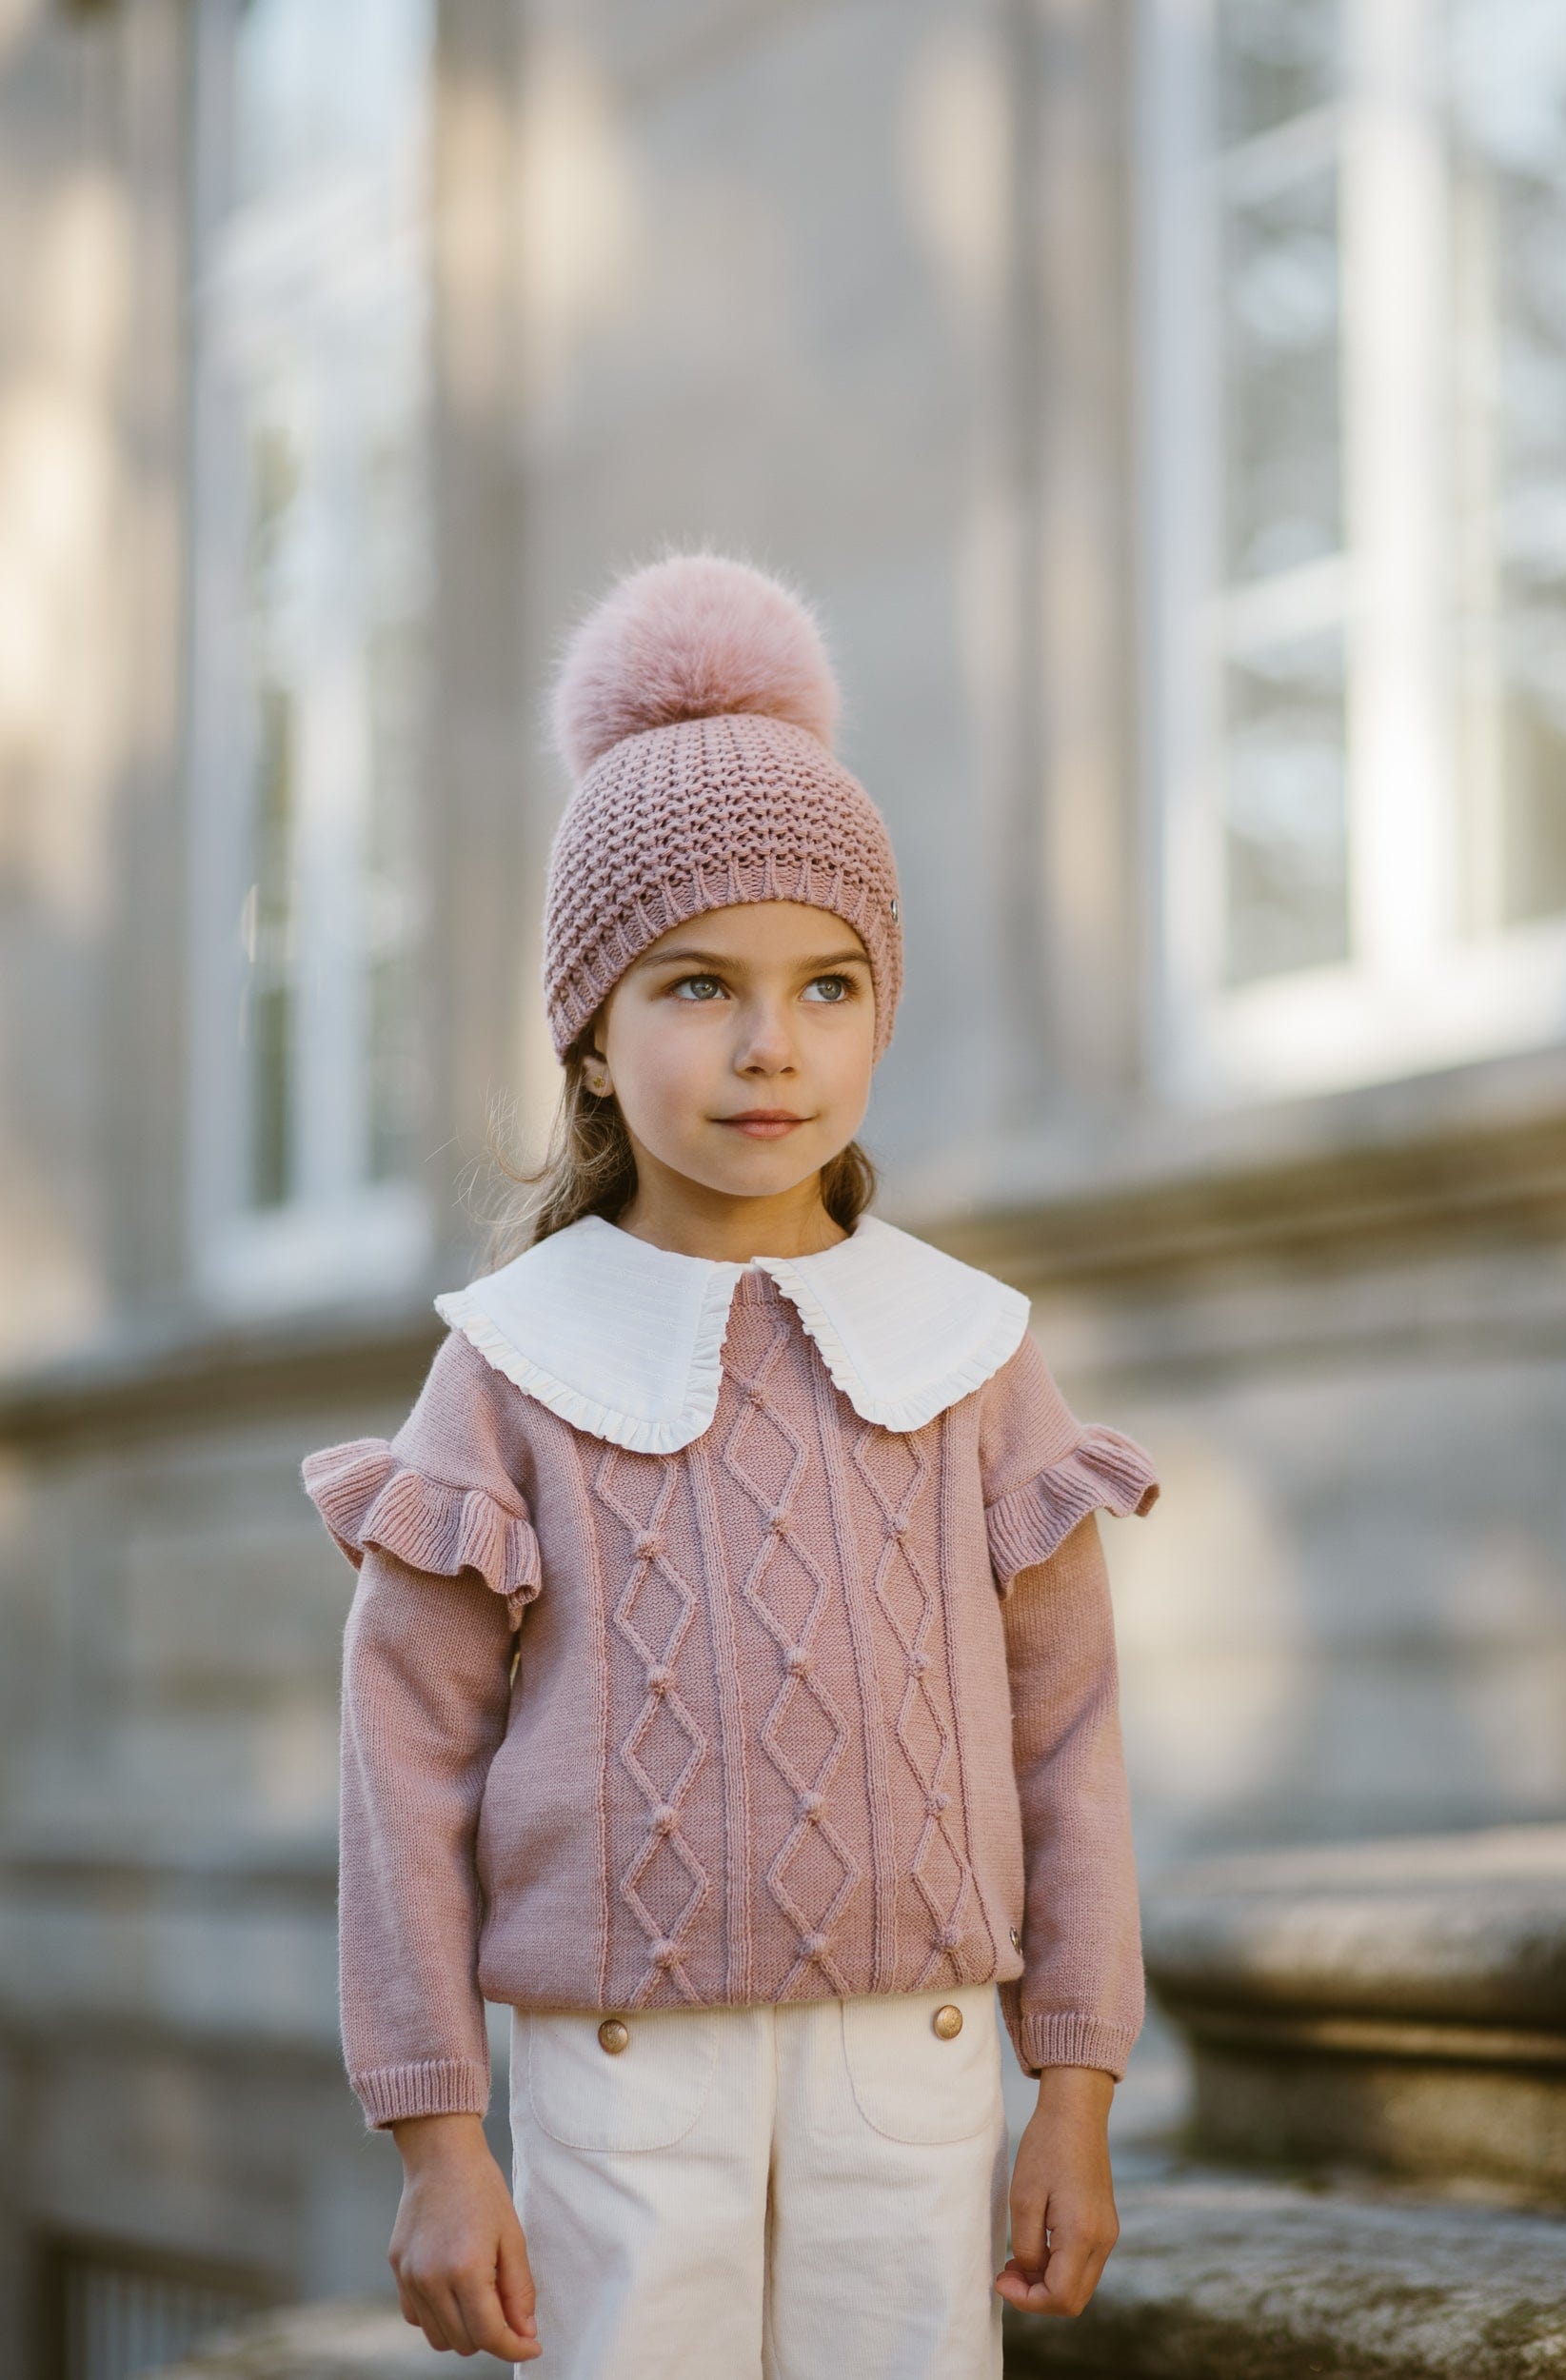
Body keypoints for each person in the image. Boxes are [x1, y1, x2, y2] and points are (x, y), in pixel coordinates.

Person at [301, 546, 1162, 2379]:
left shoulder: (971, 1355)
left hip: (922, 2067)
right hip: (620, 2075)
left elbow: (1070, 1741)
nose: (775, 1047)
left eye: (831, 985)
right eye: (697, 986)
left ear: (880, 1009)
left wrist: (1072, 2087)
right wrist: (439, 2141)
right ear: (592, 1042)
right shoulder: (514, 1364)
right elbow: (401, 1765)